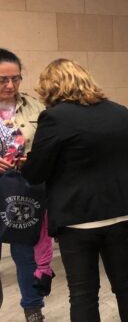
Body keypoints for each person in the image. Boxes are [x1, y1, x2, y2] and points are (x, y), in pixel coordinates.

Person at [22, 58, 128, 322]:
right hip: (122, 212)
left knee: (83, 293)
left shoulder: (54, 118)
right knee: (126, 284)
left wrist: (27, 163)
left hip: (77, 217)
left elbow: (36, 173)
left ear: (51, 86)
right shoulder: (120, 111)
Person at [0, 48, 53, 322]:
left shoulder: (35, 106)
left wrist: (35, 158)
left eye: (16, 78)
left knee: (25, 254)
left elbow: (47, 145)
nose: (10, 86)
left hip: (24, 191)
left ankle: (33, 310)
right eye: (2, 80)